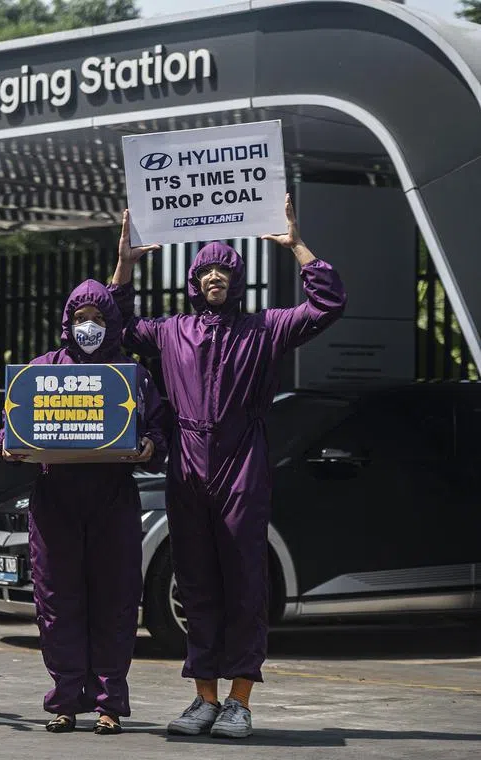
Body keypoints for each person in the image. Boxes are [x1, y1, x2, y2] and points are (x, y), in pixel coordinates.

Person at [111, 195, 347, 738]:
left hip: (243, 460)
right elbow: (117, 325)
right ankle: (204, 699)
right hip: (188, 464)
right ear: (194, 280)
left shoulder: (264, 328)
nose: (215, 275)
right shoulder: (170, 332)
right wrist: (127, 262)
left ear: (236, 279)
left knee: (244, 580)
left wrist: (297, 246)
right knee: (195, 582)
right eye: (206, 269)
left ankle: (240, 699)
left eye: (224, 268)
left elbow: (328, 305)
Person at [0, 280, 169, 735]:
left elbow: (158, 431)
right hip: (56, 499)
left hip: (112, 497)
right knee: (56, 601)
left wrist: (149, 445)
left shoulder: (132, 374)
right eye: (81, 317)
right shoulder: (41, 370)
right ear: (67, 321)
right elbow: (9, 428)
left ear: (112, 323)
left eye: (98, 318)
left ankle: (110, 703)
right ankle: (66, 699)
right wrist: (8, 447)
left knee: (115, 601)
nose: (88, 326)